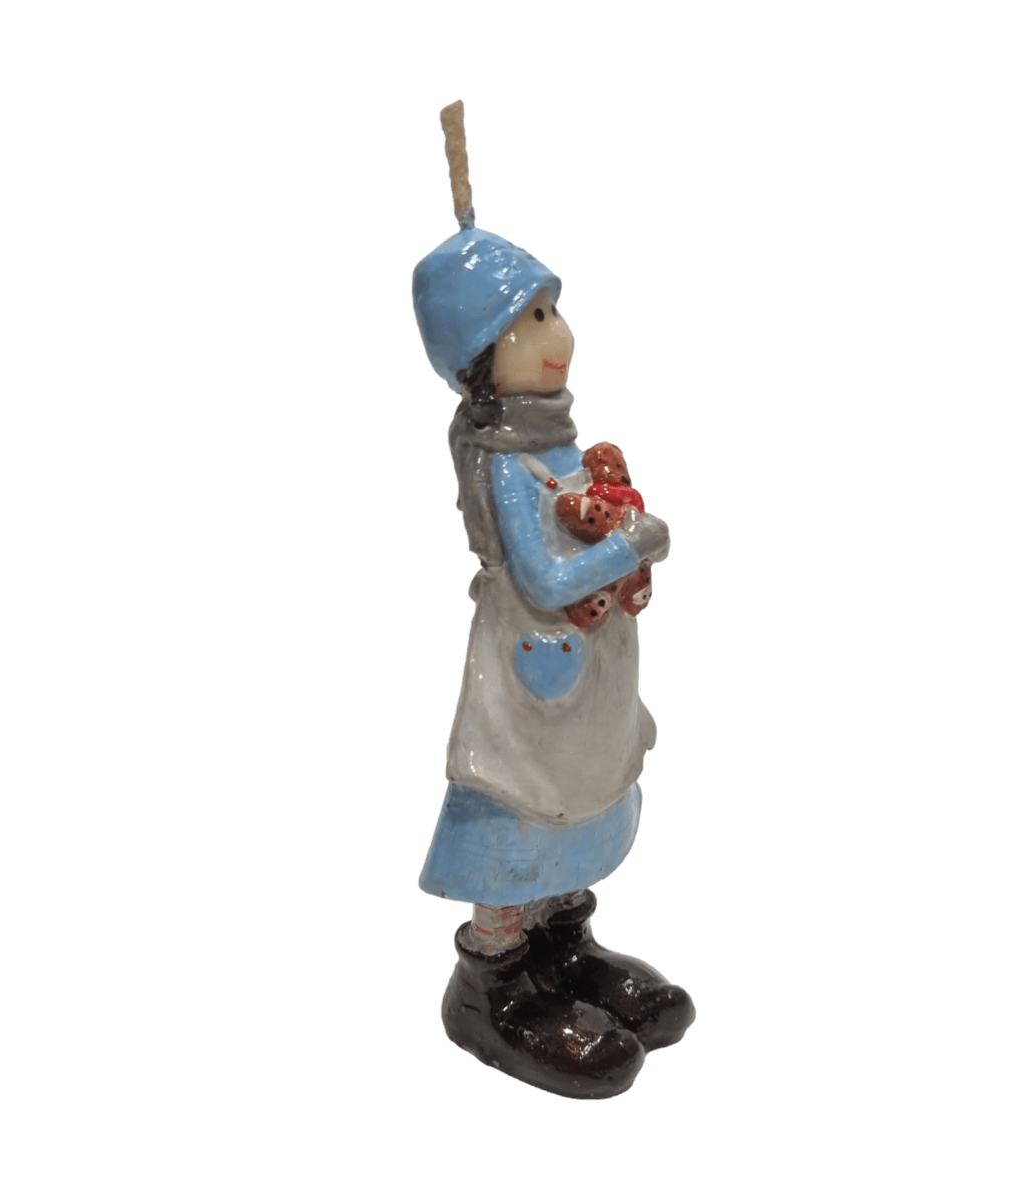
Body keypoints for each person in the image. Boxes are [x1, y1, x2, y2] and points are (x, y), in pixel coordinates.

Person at [410, 101, 695, 1100]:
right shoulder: (502, 456)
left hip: (586, 672)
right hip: (532, 665)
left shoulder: (557, 438)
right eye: (530, 320)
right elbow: (543, 577)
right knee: (525, 804)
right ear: (480, 348)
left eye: (551, 310)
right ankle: (494, 983)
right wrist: (630, 544)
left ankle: (563, 949)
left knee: (587, 794)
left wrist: (615, 532)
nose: (557, 335)